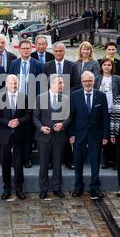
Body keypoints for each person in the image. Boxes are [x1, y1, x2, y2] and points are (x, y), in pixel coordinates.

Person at [70, 71, 110, 200]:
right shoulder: (74, 96)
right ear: (82, 82)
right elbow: (71, 117)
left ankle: (95, 188)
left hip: (96, 135)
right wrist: (71, 134)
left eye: (90, 81)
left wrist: (105, 136)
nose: (87, 83)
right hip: (79, 134)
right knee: (78, 161)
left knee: (95, 162)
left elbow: (105, 118)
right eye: (85, 81)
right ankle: (78, 187)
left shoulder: (101, 96)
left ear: (94, 81)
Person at [43, 42, 81, 171]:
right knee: (51, 130)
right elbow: (43, 84)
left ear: (64, 52)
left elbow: (76, 84)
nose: (58, 53)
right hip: (50, 102)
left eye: (61, 51)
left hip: (66, 102)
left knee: (64, 130)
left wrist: (64, 93)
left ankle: (68, 160)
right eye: (56, 51)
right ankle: (50, 161)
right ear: (53, 52)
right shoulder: (47, 66)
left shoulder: (72, 66)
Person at [0, 75, 32, 200]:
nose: (14, 86)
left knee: (18, 163)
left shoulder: (24, 97)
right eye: (11, 84)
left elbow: (28, 114)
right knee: (5, 162)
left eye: (16, 84)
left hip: (19, 134)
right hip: (5, 134)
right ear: (6, 84)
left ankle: (19, 188)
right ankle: (7, 188)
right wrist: (7, 123)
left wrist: (19, 121)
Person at [33, 75, 70, 199]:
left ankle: (56, 188)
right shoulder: (40, 97)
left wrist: (63, 124)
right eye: (60, 83)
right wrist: (41, 128)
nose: (62, 85)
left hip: (59, 137)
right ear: (52, 84)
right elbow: (35, 117)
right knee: (43, 164)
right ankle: (43, 189)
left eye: (62, 83)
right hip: (43, 137)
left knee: (57, 164)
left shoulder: (65, 98)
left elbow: (68, 117)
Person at [9, 39, 43, 169]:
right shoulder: (13, 64)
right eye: (23, 48)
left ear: (31, 49)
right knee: (16, 132)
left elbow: (41, 85)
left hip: (32, 102)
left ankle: (27, 157)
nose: (26, 50)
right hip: (17, 102)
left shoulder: (38, 64)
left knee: (29, 132)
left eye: (28, 48)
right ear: (19, 49)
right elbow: (10, 81)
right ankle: (16, 158)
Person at [95, 58, 120, 170]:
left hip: (114, 111)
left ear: (112, 67)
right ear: (101, 67)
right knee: (104, 136)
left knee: (115, 136)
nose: (107, 67)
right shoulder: (97, 79)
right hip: (101, 112)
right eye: (104, 65)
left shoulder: (118, 79)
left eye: (109, 65)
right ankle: (107, 160)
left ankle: (116, 160)